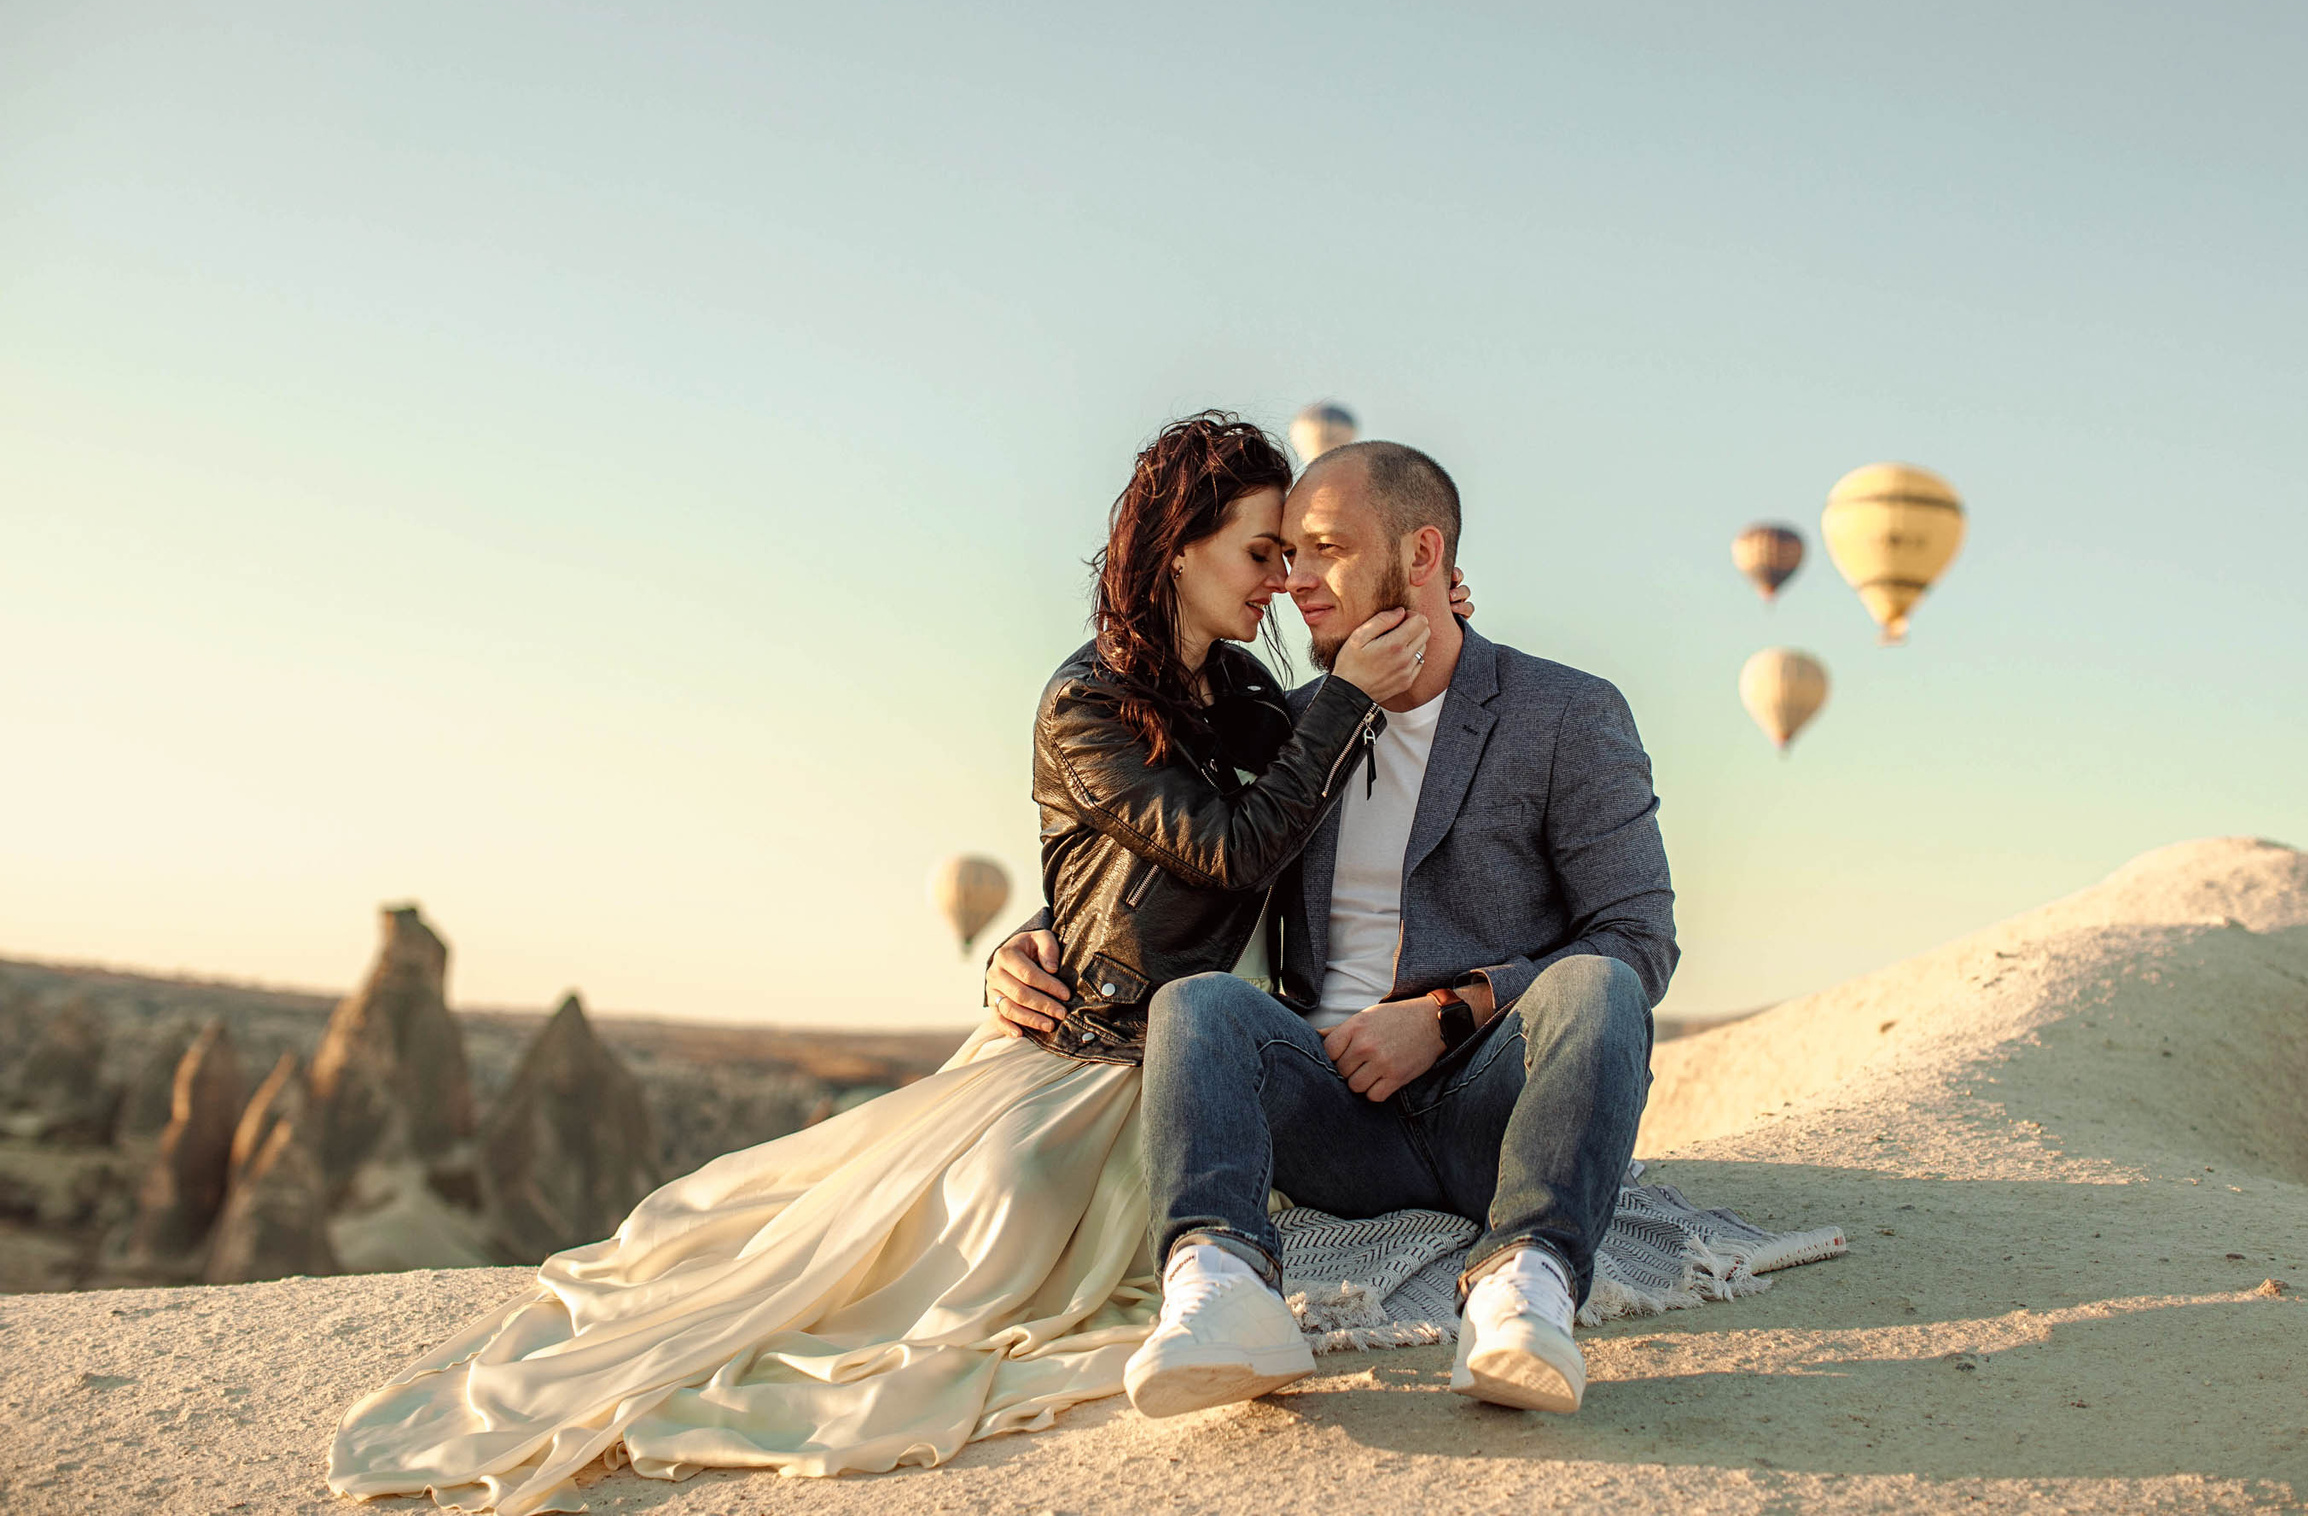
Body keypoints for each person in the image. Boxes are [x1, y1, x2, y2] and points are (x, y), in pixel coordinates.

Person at [326, 413, 1457, 1514]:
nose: (1276, 580)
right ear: (1178, 546)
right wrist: (1031, 939)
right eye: (1261, 553)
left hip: (1200, 1050)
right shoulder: (1083, 702)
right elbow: (1230, 844)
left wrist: (1421, 619)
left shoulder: (1254, 698)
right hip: (1087, 1050)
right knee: (961, 1260)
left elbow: (1325, 755)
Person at [989, 438, 1674, 1418]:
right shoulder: (1295, 725)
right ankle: (1220, 1291)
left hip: (1495, 1108)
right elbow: (1187, 855)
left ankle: (1524, 1289)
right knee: (1200, 1007)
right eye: (1281, 555)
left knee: (1600, 984)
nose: (1294, 582)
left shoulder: (1564, 713)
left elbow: (1638, 938)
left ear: (1423, 555)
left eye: (1323, 552)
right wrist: (1033, 936)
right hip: (1331, 1120)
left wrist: (1450, 1010)